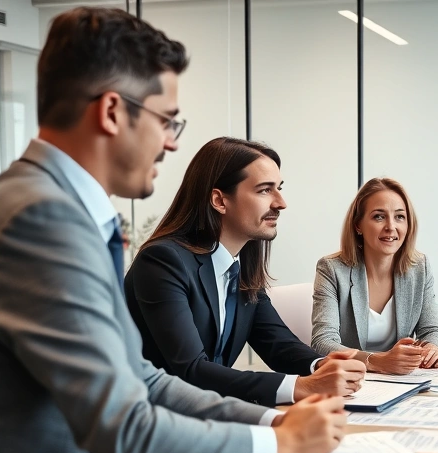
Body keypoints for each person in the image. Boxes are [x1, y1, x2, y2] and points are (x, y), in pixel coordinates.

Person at [0, 9, 344, 453]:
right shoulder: (40, 221)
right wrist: (283, 447)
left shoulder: (59, 208)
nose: (172, 144)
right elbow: (126, 431)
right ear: (112, 112)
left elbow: (142, 377)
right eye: (167, 121)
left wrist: (270, 422)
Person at [125, 137, 365, 406]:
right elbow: (190, 370)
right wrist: (301, 386)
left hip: (209, 414)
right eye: (265, 190)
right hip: (154, 421)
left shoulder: (238, 266)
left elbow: (276, 344)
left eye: (279, 189)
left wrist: (320, 365)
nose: (281, 203)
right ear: (219, 200)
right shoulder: (162, 261)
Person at [311, 177, 438, 375]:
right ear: (358, 225)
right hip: (350, 379)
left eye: (400, 217)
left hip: (401, 382)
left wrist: (433, 349)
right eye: (379, 217)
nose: (391, 226)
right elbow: (322, 342)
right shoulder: (332, 269)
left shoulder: (420, 268)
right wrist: (376, 361)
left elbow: (433, 330)